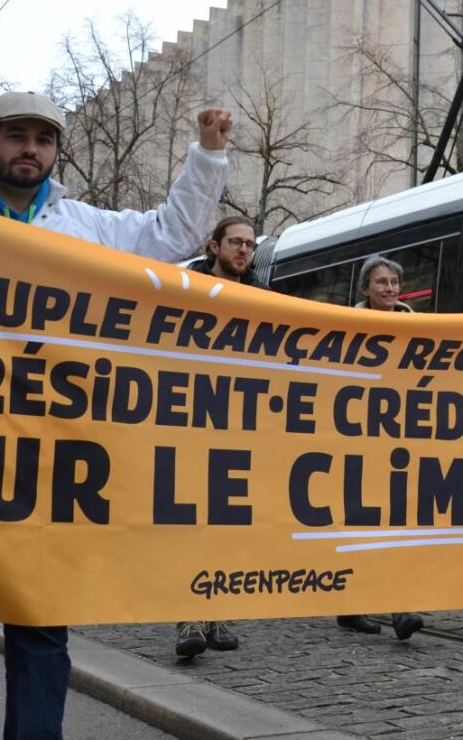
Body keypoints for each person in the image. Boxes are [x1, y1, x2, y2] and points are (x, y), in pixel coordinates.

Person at [0, 91, 232, 740]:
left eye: (42, 139)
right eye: (16, 136)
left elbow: (168, 234)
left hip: (45, 472)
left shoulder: (82, 225)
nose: (29, 149)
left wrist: (209, 154)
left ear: (55, 152)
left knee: (42, 638)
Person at [173, 216, 260, 660]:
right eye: (236, 242)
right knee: (193, 520)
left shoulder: (262, 298)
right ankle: (190, 616)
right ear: (214, 246)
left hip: (241, 423)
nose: (244, 250)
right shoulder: (184, 291)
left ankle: (218, 615)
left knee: (227, 523)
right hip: (192, 418)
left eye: (249, 244)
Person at [333, 254, 427, 642]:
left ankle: (399, 603)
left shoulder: (417, 325)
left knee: (398, 520)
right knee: (362, 520)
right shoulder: (348, 326)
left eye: (393, 282)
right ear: (365, 289)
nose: (389, 289)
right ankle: (352, 604)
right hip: (359, 437)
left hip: (402, 438)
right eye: (381, 283)